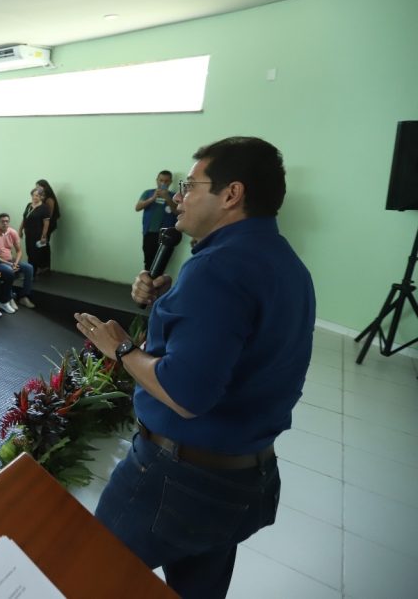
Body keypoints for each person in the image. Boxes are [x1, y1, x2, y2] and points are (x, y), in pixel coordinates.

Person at [77, 137, 315, 597]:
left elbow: (187, 394)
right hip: (245, 476)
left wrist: (122, 349)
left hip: (178, 482)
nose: (178, 197)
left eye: (190, 184)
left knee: (91, 578)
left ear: (231, 194)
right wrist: (171, 302)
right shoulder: (286, 264)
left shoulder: (217, 269)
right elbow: (242, 348)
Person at [135, 170, 178, 270]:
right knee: (148, 261)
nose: (163, 183)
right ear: (157, 180)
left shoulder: (175, 196)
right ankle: (146, 284)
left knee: (162, 263)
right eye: (161, 180)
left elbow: (177, 212)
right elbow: (137, 208)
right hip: (150, 233)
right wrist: (152, 198)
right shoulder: (148, 193)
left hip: (167, 235)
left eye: (166, 181)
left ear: (170, 182)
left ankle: (157, 285)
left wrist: (167, 198)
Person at [0, 213, 36, 309]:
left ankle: (23, 296)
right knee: (9, 270)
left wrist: (15, 263)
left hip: (11, 260)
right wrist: (10, 264)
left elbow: (19, 251)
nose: (5, 223)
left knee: (29, 268)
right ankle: (9, 297)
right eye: (2, 221)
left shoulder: (12, 232)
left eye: (7, 221)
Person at [21, 187, 52, 275]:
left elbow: (46, 223)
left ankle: (32, 274)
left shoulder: (44, 208)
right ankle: (30, 272)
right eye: (34, 195)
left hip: (37, 234)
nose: (35, 197)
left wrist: (43, 236)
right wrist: (20, 230)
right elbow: (24, 219)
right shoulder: (29, 205)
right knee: (29, 252)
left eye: (38, 196)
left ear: (42, 197)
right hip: (28, 233)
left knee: (35, 254)